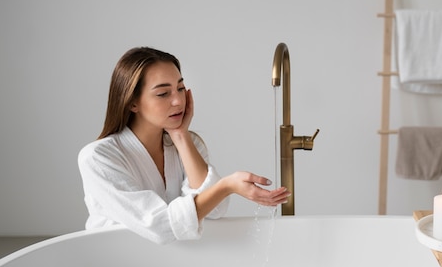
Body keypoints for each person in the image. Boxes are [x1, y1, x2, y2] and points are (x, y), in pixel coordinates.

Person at [78, 47, 290, 244]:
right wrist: (227, 186)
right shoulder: (98, 158)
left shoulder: (189, 143)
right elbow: (160, 225)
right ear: (132, 102)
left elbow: (214, 211)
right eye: (163, 93)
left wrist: (180, 136)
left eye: (180, 88)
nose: (178, 100)